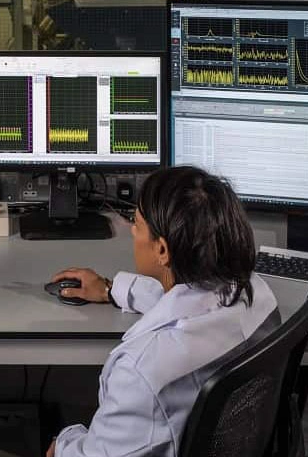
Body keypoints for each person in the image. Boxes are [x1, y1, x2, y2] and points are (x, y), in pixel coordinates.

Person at [46, 166, 278, 457]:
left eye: (137, 223)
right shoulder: (258, 294)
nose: (131, 230)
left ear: (162, 251)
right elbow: (194, 301)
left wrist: (64, 442)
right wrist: (110, 289)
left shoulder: (142, 371)